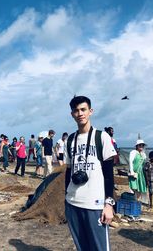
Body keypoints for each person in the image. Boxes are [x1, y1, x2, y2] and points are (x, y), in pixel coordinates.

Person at [64, 95, 117, 251]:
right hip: (73, 203)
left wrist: (109, 204)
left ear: (90, 111)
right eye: (76, 110)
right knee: (82, 247)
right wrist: (65, 198)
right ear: (72, 114)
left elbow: (109, 175)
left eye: (83, 109)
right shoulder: (70, 140)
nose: (80, 113)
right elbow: (68, 172)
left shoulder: (101, 137)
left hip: (95, 205)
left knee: (100, 248)